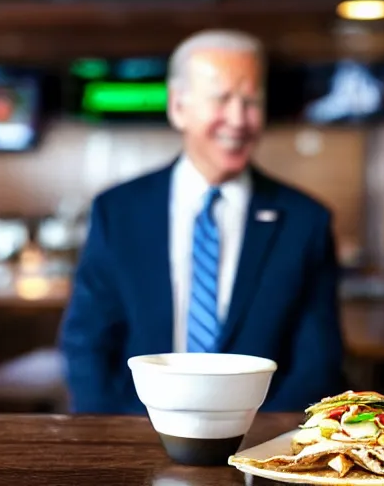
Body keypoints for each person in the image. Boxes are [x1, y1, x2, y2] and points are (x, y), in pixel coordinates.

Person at [59, 29, 346, 414]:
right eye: (222, 99)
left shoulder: (305, 221)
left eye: (251, 101)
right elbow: (87, 343)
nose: (238, 119)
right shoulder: (118, 211)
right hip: (137, 436)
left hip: (261, 445)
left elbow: (318, 362)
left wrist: (264, 444)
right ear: (179, 107)